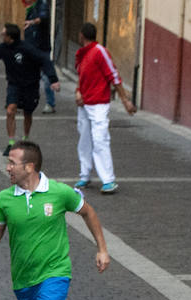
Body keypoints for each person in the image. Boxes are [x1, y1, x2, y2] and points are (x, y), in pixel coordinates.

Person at [0, 140, 110, 300]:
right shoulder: (4, 199)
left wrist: (102, 250)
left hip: (55, 274)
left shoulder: (59, 192)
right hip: (23, 281)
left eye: (12, 163)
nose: (8, 168)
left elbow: (88, 212)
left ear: (29, 167)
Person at [0, 25, 60, 152]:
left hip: (30, 85)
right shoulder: (4, 48)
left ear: (10, 37)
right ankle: (11, 142)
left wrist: (53, 79)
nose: (1, 34)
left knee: (28, 112)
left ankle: (25, 138)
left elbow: (45, 60)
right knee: (10, 110)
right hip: (14, 84)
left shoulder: (27, 49)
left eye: (3, 33)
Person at [74, 22, 135, 195]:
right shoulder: (81, 54)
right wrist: (78, 92)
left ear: (82, 35)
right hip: (85, 104)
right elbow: (82, 77)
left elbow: (113, 75)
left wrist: (125, 101)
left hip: (99, 103)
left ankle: (108, 180)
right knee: (84, 140)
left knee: (100, 139)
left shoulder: (99, 51)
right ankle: (85, 174)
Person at [22, 0, 56, 113]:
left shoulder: (43, 5)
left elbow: (43, 18)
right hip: (32, 48)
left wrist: (31, 22)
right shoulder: (32, 7)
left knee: (46, 77)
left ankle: (50, 104)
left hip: (42, 48)